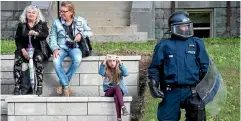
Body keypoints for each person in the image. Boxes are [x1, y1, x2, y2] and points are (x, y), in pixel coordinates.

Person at [147, 11, 210, 121]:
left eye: (187, 26)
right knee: (166, 118)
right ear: (173, 28)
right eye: (183, 26)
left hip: (192, 91)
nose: (186, 29)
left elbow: (205, 66)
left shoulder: (196, 43)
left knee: (198, 118)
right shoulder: (164, 45)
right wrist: (153, 84)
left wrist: (208, 84)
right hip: (171, 90)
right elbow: (155, 67)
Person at [49, 1, 93, 96]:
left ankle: (63, 83)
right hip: (61, 48)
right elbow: (52, 37)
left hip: (75, 47)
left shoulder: (80, 20)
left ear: (71, 12)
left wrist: (81, 34)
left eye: (64, 11)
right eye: (60, 11)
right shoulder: (56, 22)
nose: (61, 13)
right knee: (56, 61)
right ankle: (66, 85)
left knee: (77, 59)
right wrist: (55, 49)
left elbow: (90, 32)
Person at [13, 5, 50, 95]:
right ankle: (17, 86)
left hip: (38, 49)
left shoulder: (42, 24)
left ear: (37, 15)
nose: (31, 14)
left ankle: (39, 86)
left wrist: (36, 33)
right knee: (18, 60)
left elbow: (45, 34)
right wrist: (22, 50)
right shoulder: (21, 25)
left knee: (38, 59)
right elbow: (17, 39)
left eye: (33, 13)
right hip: (24, 49)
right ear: (25, 14)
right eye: (29, 12)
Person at [99, 54, 129, 121]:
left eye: (113, 61)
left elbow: (126, 73)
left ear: (116, 62)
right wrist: (104, 61)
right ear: (107, 62)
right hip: (109, 92)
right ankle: (123, 107)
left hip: (118, 92)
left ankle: (119, 118)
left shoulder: (119, 70)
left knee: (116, 95)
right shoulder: (106, 71)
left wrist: (120, 63)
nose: (112, 63)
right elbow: (101, 72)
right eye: (109, 61)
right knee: (116, 87)